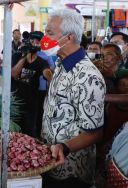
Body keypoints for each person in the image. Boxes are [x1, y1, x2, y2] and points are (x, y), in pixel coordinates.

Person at [40, 9, 105, 188]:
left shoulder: (88, 76)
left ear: (68, 38)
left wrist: (65, 147)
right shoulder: (61, 63)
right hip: (50, 162)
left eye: (49, 33)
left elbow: (94, 133)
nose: (44, 38)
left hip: (71, 171)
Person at [11, 31, 52, 138]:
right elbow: (14, 74)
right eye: (32, 41)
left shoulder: (42, 61)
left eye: (37, 42)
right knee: (14, 130)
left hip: (31, 101)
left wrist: (49, 74)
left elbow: (47, 72)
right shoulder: (17, 56)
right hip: (15, 101)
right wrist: (24, 56)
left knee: (29, 131)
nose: (34, 43)